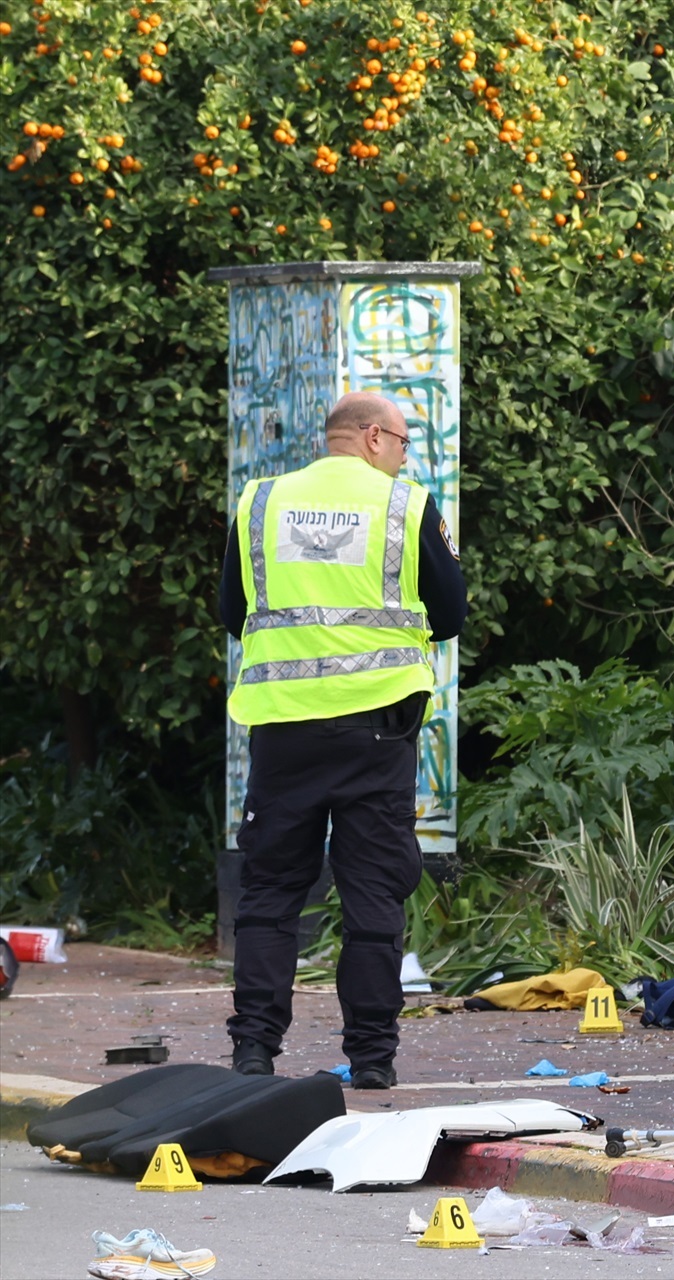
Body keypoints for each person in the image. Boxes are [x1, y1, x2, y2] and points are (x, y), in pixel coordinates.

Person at [217, 391, 466, 1089]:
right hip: (377, 731)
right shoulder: (404, 506)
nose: (405, 455)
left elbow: (232, 612)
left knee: (269, 892)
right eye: (405, 443)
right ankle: (373, 1061)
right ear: (374, 437)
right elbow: (450, 615)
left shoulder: (260, 502)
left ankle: (255, 1051)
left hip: (284, 726)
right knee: (373, 895)